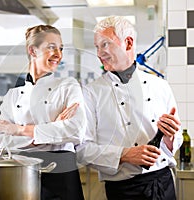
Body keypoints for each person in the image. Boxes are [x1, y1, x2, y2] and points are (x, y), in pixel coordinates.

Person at [76, 16, 183, 200]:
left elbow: (176, 139)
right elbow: (82, 150)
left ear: (128, 42)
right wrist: (125, 155)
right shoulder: (91, 92)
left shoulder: (160, 85)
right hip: (123, 190)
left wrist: (170, 136)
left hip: (163, 184)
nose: (100, 53)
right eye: (97, 46)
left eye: (105, 44)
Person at [0, 25, 85, 200]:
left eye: (61, 48)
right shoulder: (13, 96)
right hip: (22, 175)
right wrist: (51, 130)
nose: (59, 54)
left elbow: (76, 131)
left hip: (61, 176)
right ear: (33, 51)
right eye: (51, 47)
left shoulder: (68, 86)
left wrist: (18, 130)